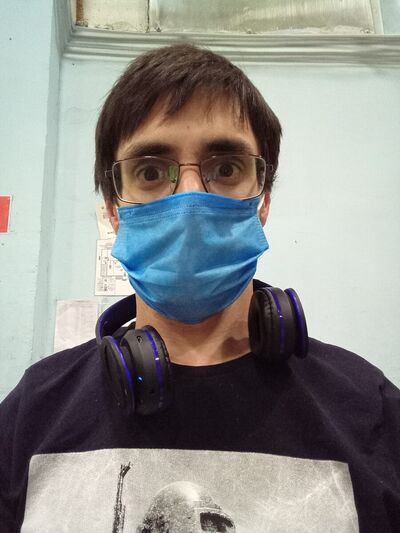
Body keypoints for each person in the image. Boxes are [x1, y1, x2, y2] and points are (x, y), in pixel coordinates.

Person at [0, 44, 399, 533]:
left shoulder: (370, 409)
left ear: (263, 201)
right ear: (113, 209)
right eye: (151, 172)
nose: (189, 200)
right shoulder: (32, 412)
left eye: (226, 168)